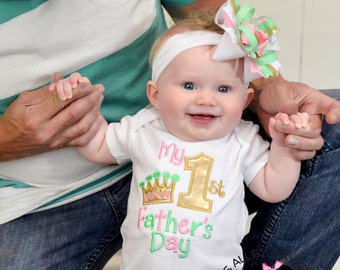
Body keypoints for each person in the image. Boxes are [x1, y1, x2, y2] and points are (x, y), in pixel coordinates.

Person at [0, 1, 339, 269]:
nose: (206, 99)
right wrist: (76, 106)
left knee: (332, 123)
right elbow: (99, 144)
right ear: (155, 95)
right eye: (189, 85)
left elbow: (272, 187)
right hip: (42, 202)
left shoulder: (241, 137)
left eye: (224, 89)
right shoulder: (144, 127)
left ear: (245, 99)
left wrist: (284, 147)